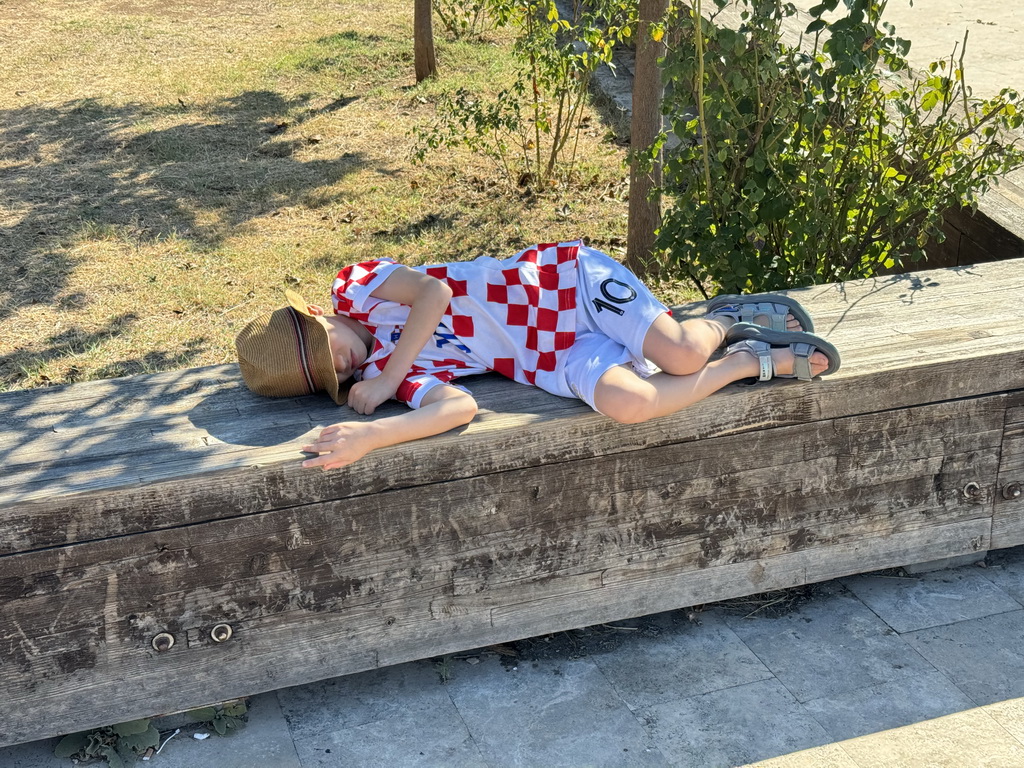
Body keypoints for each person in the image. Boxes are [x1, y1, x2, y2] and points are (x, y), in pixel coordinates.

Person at [235, 240, 840, 470]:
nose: (338, 367)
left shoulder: (356, 286)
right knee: (630, 406)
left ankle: (723, 319)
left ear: (317, 318)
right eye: (325, 377)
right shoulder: (385, 380)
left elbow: (434, 292)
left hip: (564, 285)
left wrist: (388, 372)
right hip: (552, 355)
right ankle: (743, 361)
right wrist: (375, 434)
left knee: (680, 355)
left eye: (324, 351)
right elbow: (457, 408)